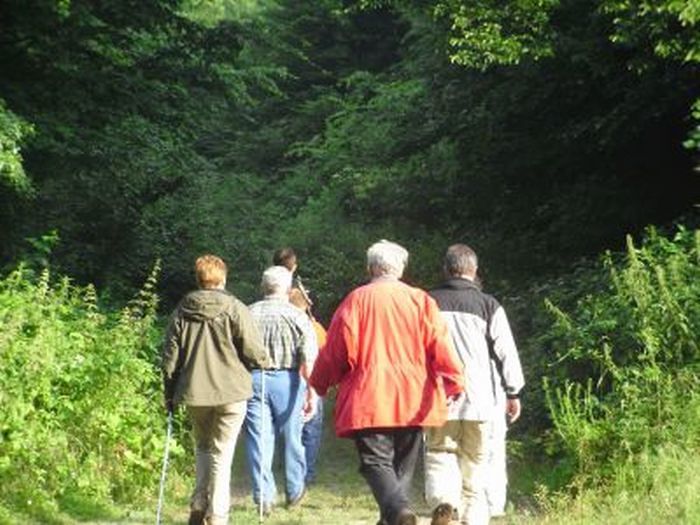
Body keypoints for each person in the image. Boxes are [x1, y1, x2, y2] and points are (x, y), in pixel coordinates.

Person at [309, 240, 465, 525]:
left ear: (370, 268)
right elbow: (440, 344)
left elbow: (336, 350)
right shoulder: (420, 300)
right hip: (414, 397)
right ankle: (397, 515)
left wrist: (319, 382)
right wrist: (454, 379)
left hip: (370, 396)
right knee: (401, 468)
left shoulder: (357, 300)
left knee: (376, 463)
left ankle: (400, 513)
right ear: (400, 269)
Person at [162, 254, 270, 525]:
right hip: (232, 392)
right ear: (223, 278)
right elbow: (253, 351)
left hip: (194, 392)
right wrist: (263, 361)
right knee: (223, 453)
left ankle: (199, 503)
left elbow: (170, 359)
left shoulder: (182, 310)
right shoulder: (235, 308)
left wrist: (169, 393)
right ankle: (218, 514)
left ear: (198, 279)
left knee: (202, 447)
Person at [424, 244, 525, 525]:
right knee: (476, 462)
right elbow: (506, 353)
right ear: (475, 271)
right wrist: (513, 392)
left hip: (440, 398)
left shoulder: (428, 302)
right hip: (481, 401)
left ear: (445, 269)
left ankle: (444, 500)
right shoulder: (489, 305)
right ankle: (473, 517)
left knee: (439, 453)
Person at [243, 266, 318, 515]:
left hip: (254, 378)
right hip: (288, 379)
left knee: (259, 438)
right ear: (287, 289)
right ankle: (295, 490)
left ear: (263, 286)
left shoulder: (248, 313)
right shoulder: (297, 316)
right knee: (292, 437)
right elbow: (308, 358)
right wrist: (312, 392)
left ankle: (264, 495)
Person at [289, 287, 327, 485]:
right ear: (306, 305)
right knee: (311, 429)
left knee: (291, 428)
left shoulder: (285, 322)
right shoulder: (315, 328)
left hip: (288, 381)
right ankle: (307, 472)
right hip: (312, 380)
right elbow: (325, 352)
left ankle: (292, 469)